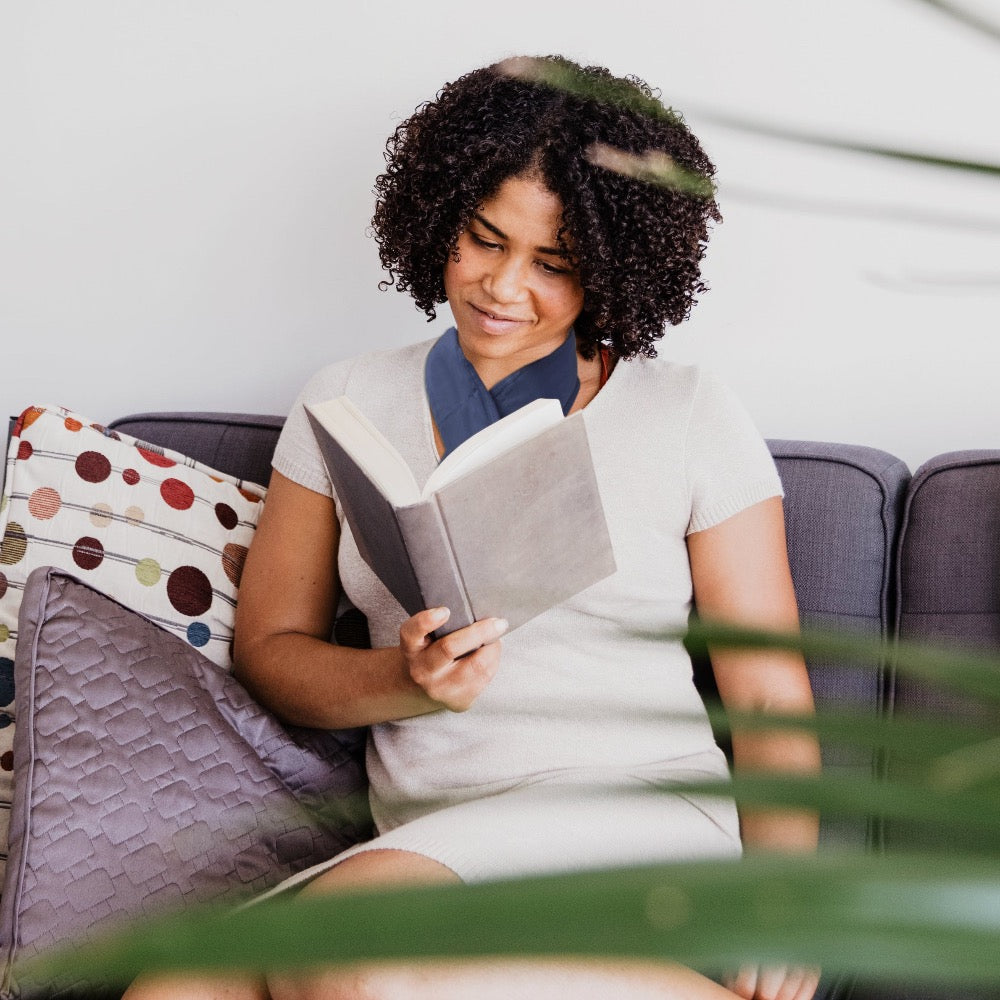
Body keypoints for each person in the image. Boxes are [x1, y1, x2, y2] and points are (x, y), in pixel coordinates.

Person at [125, 55, 821, 1000]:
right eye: (482, 240)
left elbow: (771, 692)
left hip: (632, 821)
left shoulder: (688, 414)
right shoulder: (346, 401)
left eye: (553, 265)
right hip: (430, 840)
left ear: (615, 269)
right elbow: (272, 651)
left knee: (349, 955)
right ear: (438, 214)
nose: (502, 286)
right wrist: (404, 681)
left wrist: (786, 899)